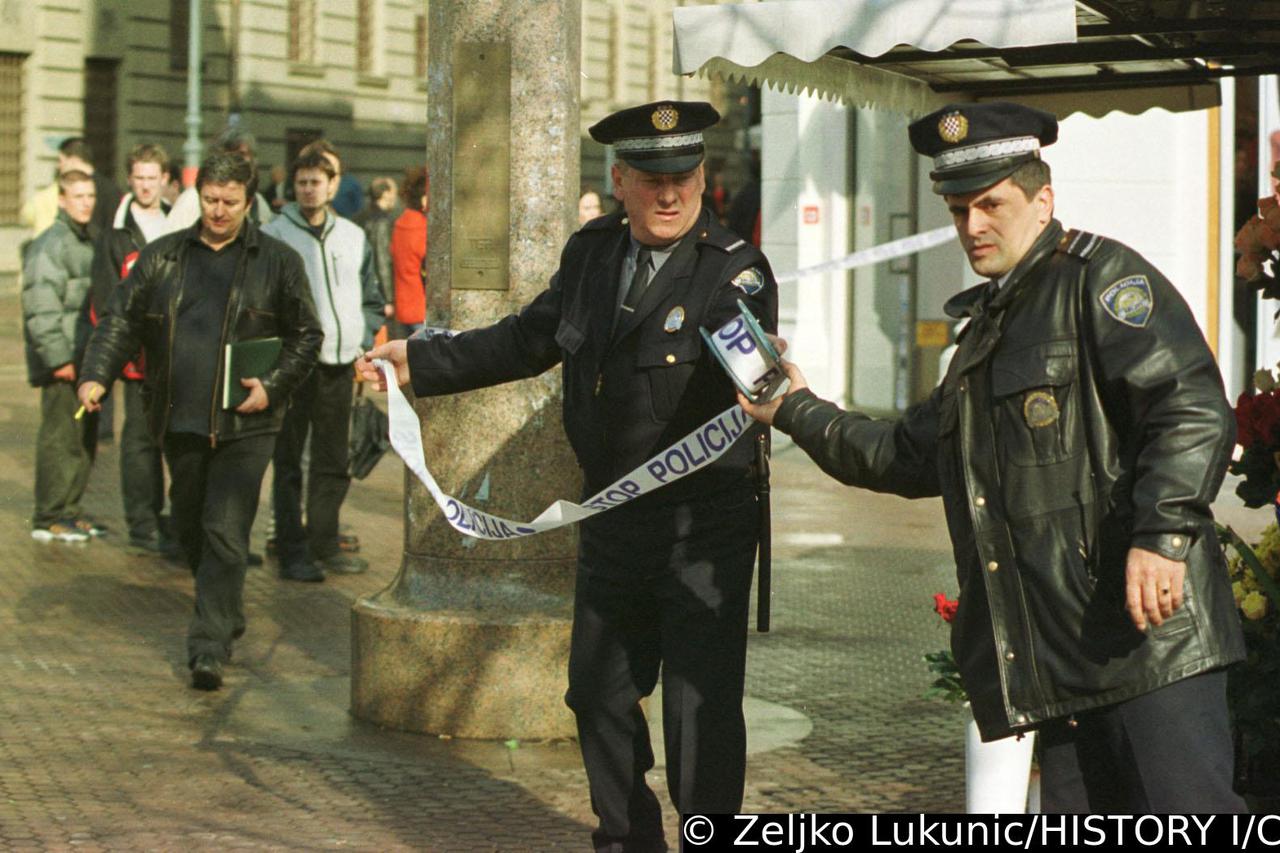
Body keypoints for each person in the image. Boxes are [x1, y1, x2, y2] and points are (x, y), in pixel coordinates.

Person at [739, 101, 1246, 813]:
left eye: (990, 204)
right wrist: (792, 406)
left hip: (1150, 648)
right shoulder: (983, 332)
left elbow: (1190, 406)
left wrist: (1161, 537)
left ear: (1043, 200)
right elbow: (902, 454)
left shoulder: (1099, 281)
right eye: (957, 209)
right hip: (1064, 662)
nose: (972, 226)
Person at [358, 100, 777, 851]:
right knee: (596, 693)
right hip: (614, 519)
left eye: (684, 175)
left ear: (704, 176)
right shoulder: (591, 254)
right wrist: (418, 361)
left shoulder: (732, 273)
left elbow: (754, 372)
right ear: (620, 180)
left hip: (700, 529)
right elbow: (528, 339)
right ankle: (626, 838)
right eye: (651, 179)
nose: (670, 193)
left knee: (697, 716)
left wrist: (773, 380)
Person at [78, 152, 322, 691]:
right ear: (198, 196)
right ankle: (225, 607)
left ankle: (208, 646)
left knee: (225, 529)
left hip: (248, 422)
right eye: (210, 199)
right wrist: (96, 373)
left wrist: (273, 385)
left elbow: (308, 335)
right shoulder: (164, 256)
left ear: (248, 200)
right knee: (189, 525)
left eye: (230, 202)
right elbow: (120, 319)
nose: (218, 211)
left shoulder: (278, 261)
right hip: (179, 416)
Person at [262, 149, 382, 581]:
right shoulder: (274, 235)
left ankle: (324, 542)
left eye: (317, 181)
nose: (309, 189)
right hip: (294, 365)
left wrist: (362, 337)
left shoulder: (352, 236)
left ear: (333, 185)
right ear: (292, 187)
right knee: (290, 458)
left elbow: (372, 294)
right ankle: (291, 547)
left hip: (339, 363)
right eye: (302, 182)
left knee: (332, 458)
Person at [89, 143, 176, 556]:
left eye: (152, 177)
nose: (145, 185)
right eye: (139, 177)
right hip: (140, 361)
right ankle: (142, 522)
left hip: (178, 357)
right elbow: (107, 301)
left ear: (164, 180)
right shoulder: (115, 234)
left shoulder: (178, 225)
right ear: (130, 180)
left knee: (175, 440)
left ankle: (174, 521)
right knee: (140, 442)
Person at [23, 170, 99, 543]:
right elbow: (40, 307)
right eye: (78, 196)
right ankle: (49, 514)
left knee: (81, 437)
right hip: (63, 363)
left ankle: (69, 510)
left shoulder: (84, 239)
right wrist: (58, 359)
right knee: (60, 437)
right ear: (62, 200)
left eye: (90, 195)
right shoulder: (52, 244)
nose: (86, 202)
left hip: (83, 360)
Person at [165, 126, 274, 232]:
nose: (236, 160)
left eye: (242, 154)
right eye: (231, 153)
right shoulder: (192, 198)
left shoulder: (258, 203)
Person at [390, 166, 428, 337]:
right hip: (420, 307)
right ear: (424, 199)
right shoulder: (422, 227)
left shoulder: (401, 223)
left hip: (403, 306)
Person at [353, 176, 398, 319]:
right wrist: (388, 298)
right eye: (394, 193)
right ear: (386, 194)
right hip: (377, 293)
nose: (396, 198)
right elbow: (382, 260)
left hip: (361, 286)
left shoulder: (358, 217)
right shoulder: (382, 221)